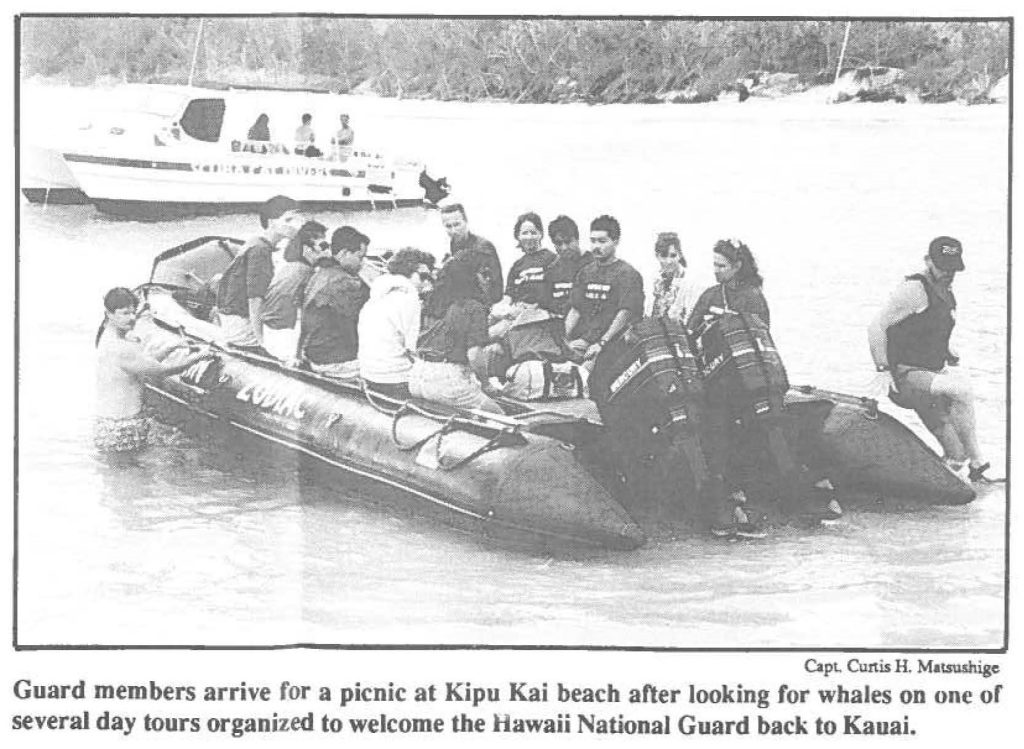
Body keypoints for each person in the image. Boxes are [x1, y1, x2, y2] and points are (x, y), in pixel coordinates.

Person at [689, 239, 838, 535]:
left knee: (762, 426)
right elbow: (691, 331)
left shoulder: (752, 297)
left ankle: (781, 489)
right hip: (715, 377)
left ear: (737, 266)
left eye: (722, 266)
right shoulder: (709, 296)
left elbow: (760, 339)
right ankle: (728, 493)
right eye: (714, 265)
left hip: (745, 380)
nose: (716, 271)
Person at [868, 236, 994, 481]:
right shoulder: (914, 289)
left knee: (956, 455)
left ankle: (948, 483)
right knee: (963, 390)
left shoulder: (945, 291)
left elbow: (925, 328)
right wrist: (882, 369)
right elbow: (875, 327)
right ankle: (979, 462)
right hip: (904, 377)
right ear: (928, 260)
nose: (948, 272)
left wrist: (948, 351)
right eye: (942, 266)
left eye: (953, 267)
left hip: (929, 379)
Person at [95, 288, 214, 454]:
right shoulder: (120, 348)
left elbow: (142, 363)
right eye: (124, 313)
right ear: (109, 314)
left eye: (133, 312)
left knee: (127, 475)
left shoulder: (111, 339)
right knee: (132, 476)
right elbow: (160, 371)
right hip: (122, 425)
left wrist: (171, 347)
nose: (131, 318)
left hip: (113, 423)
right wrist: (199, 357)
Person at [411, 255, 503, 413]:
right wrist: (486, 384)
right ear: (470, 278)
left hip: (417, 376)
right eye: (483, 274)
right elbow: (474, 354)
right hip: (447, 381)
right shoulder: (473, 307)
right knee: (499, 415)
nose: (487, 280)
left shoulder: (431, 302)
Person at [215, 195, 301, 353]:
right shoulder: (261, 250)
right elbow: (254, 299)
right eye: (288, 220)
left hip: (233, 318)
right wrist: (261, 342)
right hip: (240, 325)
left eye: (296, 220)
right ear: (271, 222)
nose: (295, 226)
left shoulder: (256, 242)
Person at [564, 215, 644, 369]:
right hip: (586, 340)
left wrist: (601, 343)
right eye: (593, 241)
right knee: (557, 364)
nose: (596, 246)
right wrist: (563, 339)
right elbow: (575, 310)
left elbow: (625, 314)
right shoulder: (585, 272)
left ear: (615, 241)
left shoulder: (627, 274)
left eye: (602, 241)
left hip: (614, 344)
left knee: (583, 373)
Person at [357, 248, 436, 399]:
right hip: (395, 378)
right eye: (424, 276)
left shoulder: (378, 293)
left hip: (370, 373)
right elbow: (413, 347)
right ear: (408, 272)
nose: (426, 283)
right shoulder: (408, 298)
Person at [296, 226, 371, 378]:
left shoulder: (321, 273)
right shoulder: (345, 283)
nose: (362, 264)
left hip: (313, 352)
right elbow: (363, 323)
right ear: (344, 253)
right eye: (360, 257)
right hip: (332, 359)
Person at [260, 220, 329, 360]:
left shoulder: (289, 265)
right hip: (285, 334)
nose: (325, 251)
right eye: (323, 246)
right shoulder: (306, 272)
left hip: (269, 327)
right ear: (308, 248)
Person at [439, 203, 503, 306]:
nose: (453, 231)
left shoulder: (483, 247)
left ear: (465, 221)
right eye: (448, 226)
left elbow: (495, 287)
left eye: (457, 224)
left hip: (480, 307)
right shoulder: (451, 246)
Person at [544, 215, 593, 318]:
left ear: (577, 239)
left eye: (568, 242)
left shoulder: (594, 264)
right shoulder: (551, 270)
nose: (564, 247)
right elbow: (547, 305)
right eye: (558, 243)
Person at [504, 212, 556, 307]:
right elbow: (509, 295)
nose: (529, 237)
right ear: (518, 236)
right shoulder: (517, 266)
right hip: (519, 313)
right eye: (524, 233)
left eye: (533, 233)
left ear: (540, 234)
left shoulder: (552, 259)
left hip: (543, 314)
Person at [650, 231, 703, 325]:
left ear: (680, 255)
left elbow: (691, 319)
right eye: (663, 256)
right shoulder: (654, 281)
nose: (669, 261)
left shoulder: (690, 283)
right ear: (657, 256)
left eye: (673, 255)